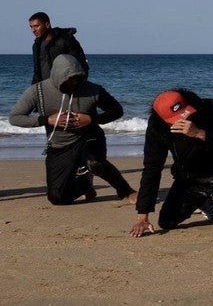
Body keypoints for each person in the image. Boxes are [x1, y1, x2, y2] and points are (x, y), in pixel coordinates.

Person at [9, 54, 137, 205]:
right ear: (58, 76)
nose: (74, 82)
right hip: (59, 146)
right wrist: (48, 120)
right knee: (57, 198)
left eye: (77, 77)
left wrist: (91, 119)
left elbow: (117, 110)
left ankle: (127, 191)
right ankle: (85, 184)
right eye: (70, 78)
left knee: (94, 162)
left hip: (88, 138)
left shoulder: (93, 90)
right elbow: (15, 117)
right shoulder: (37, 92)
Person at [129, 89, 213, 237]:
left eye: (184, 112)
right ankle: (204, 202)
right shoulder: (157, 127)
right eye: (177, 118)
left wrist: (201, 133)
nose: (184, 119)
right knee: (166, 223)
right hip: (190, 180)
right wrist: (143, 215)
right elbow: (152, 168)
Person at [29, 12, 89, 85]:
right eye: (31, 27)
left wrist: (75, 87)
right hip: (46, 89)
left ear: (47, 25)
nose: (33, 30)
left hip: (65, 88)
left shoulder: (66, 40)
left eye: (36, 26)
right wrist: (35, 88)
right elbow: (37, 71)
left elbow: (80, 65)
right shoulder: (36, 45)